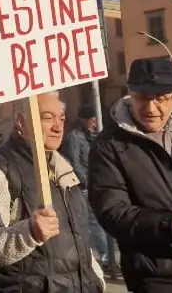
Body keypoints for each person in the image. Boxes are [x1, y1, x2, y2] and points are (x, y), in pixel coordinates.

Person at [0, 92, 104, 293]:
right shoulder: (0, 169)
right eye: (47, 118)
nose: (58, 127)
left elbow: (79, 239)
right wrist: (29, 232)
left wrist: (97, 279)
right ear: (22, 122)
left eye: (61, 118)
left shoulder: (63, 168)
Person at [89, 57, 172, 293]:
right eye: (142, 98)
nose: (150, 108)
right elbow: (113, 212)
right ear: (130, 94)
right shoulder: (109, 145)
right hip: (157, 278)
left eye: (160, 98)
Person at [61, 104, 109, 268]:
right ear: (85, 119)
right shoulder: (74, 136)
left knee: (96, 221)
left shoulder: (90, 135)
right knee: (93, 222)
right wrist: (85, 181)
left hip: (95, 181)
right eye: (93, 119)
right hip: (84, 185)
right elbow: (74, 161)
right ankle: (105, 258)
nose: (95, 123)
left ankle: (103, 256)